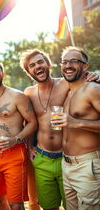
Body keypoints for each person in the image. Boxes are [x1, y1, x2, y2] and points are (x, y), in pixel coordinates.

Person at [20, 49, 100, 210]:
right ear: (29, 72)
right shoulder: (28, 93)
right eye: (32, 65)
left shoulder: (66, 84)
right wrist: (30, 148)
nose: (37, 67)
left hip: (72, 157)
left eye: (40, 62)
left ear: (49, 64)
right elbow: (29, 122)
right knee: (53, 205)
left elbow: (81, 79)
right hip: (45, 158)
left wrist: (93, 75)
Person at [0, 59, 38, 210]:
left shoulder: (17, 96)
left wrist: (15, 139)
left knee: (16, 204)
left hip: (14, 153)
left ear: (2, 74)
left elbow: (33, 122)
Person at [58, 47, 100, 210]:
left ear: (85, 66)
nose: (68, 65)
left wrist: (77, 122)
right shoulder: (68, 92)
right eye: (65, 62)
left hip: (88, 165)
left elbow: (74, 122)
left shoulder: (93, 89)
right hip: (66, 164)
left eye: (74, 61)